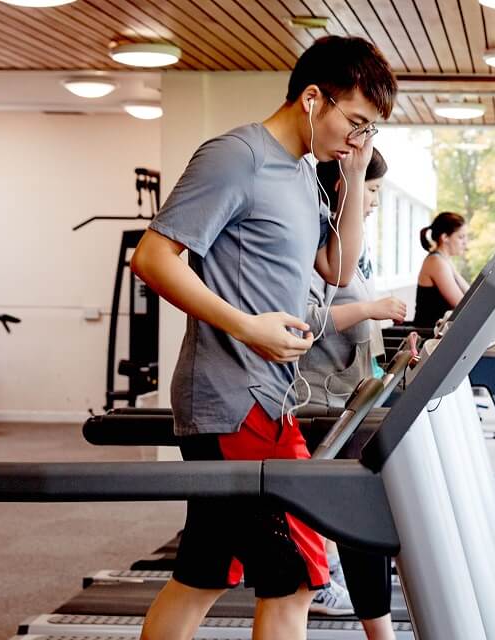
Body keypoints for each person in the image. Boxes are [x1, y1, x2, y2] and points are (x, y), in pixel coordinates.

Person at [130, 35, 397, 640]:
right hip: (235, 398)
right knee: (298, 575)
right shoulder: (237, 156)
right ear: (311, 99)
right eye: (355, 123)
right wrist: (247, 326)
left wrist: (354, 175)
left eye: (369, 131)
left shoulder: (306, 172)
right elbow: (152, 257)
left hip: (267, 396)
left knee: (204, 573)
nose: (358, 139)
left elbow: (339, 269)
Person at [297, 148, 402, 640]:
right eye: (372, 188)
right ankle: (330, 590)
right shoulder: (317, 240)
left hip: (349, 396)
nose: (375, 199)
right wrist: (371, 310)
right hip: (319, 401)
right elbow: (306, 322)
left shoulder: (350, 250)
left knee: (366, 510)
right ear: (343, 186)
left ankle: (345, 594)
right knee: (361, 510)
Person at [412, 211, 468, 329]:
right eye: (461, 237)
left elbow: (469, 294)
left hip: (440, 333)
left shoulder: (445, 260)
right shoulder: (436, 262)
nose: (465, 242)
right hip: (428, 337)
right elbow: (462, 305)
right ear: (445, 237)